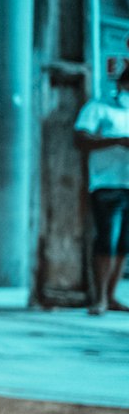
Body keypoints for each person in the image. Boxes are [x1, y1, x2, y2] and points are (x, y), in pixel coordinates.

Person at [75, 60, 129, 314]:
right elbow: (81, 138)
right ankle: (99, 298)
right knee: (107, 239)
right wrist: (117, 141)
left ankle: (112, 295)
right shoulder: (100, 107)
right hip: (107, 183)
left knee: (124, 243)